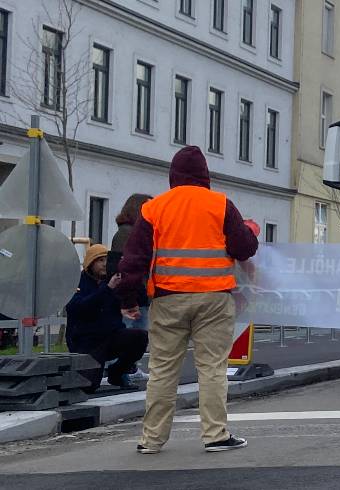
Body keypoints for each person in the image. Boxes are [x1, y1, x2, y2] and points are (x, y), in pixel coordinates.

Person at [115, 146, 258, 454]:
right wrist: (246, 230)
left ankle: (151, 439)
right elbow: (244, 248)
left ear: (173, 175)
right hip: (214, 300)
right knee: (212, 369)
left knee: (163, 370)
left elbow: (134, 259)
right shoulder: (220, 204)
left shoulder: (154, 209)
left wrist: (127, 297)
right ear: (205, 175)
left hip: (168, 300)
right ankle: (216, 435)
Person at [65, 244, 149, 392]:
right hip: (88, 341)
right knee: (88, 386)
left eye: (107, 260)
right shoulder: (78, 282)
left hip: (111, 335)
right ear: (90, 263)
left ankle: (116, 372)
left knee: (140, 337)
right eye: (100, 260)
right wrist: (107, 289)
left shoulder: (114, 280)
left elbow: (141, 300)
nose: (104, 264)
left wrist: (132, 278)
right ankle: (90, 370)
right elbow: (79, 308)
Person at [110, 194, 155, 331]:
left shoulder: (130, 233)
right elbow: (123, 268)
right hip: (133, 298)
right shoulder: (127, 234)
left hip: (138, 296)